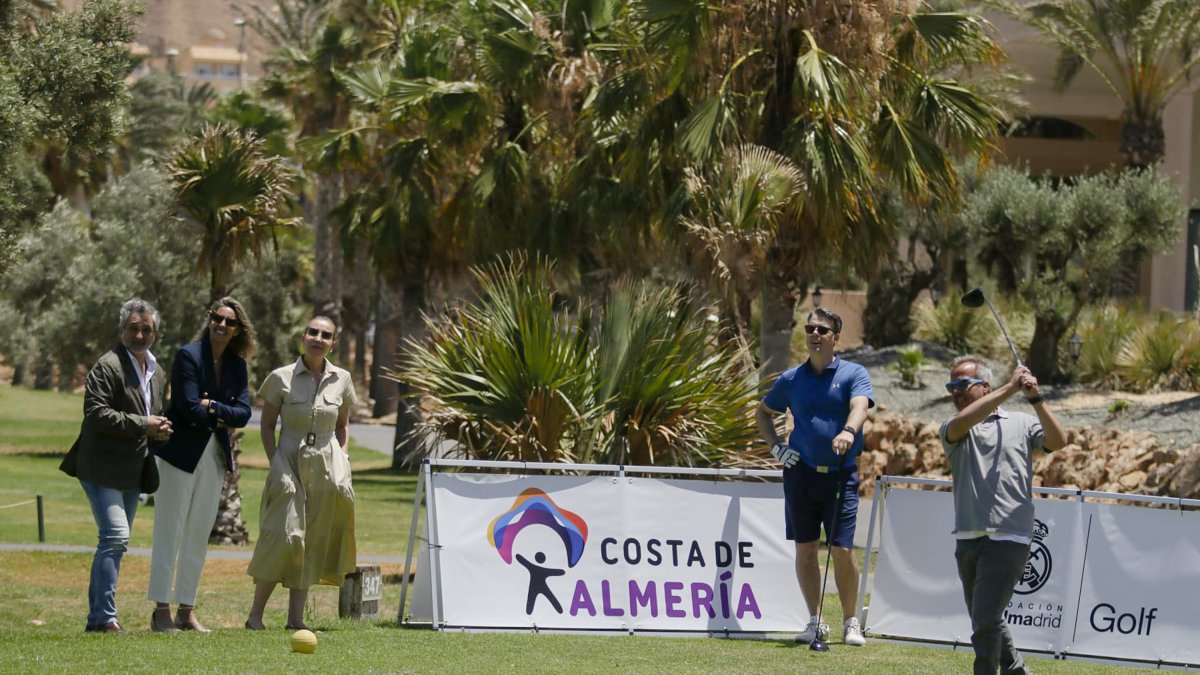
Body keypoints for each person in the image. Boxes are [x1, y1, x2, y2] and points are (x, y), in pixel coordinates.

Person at [756, 307, 874, 647]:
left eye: (822, 329)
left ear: (836, 337)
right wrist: (776, 446)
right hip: (801, 475)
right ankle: (815, 621)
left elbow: (860, 405)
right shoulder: (791, 379)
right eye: (810, 328)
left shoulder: (854, 372)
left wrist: (849, 431)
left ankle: (851, 622)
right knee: (805, 549)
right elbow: (763, 412)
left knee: (841, 549)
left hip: (840, 475)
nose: (815, 334)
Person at [940, 355, 1067, 674]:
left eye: (962, 384)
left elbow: (1058, 441)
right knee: (987, 619)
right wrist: (1011, 387)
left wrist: (1035, 398)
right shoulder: (954, 427)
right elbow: (961, 423)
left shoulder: (1021, 423)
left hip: (1009, 538)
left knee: (985, 622)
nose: (955, 391)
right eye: (951, 385)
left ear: (984, 387)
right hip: (968, 538)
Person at [148, 297, 254, 633]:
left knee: (197, 535)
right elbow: (187, 406)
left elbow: (245, 413)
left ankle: (186, 610)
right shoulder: (187, 356)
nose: (221, 325)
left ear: (238, 329)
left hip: (215, 456)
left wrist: (213, 408)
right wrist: (219, 411)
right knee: (169, 530)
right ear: (209, 320)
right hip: (180, 454)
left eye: (229, 322)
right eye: (216, 318)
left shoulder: (237, 365)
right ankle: (161, 610)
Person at [245, 316, 357, 630]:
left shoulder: (342, 379)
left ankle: (295, 619)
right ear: (302, 336)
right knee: (282, 535)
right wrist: (276, 463)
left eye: (326, 335)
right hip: (288, 460)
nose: (318, 338)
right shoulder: (280, 377)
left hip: (325, 466)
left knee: (311, 539)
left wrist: (343, 461)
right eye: (313, 332)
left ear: (333, 343)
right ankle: (255, 616)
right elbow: (267, 426)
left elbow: (342, 426)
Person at [74, 298, 172, 633]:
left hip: (132, 469)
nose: (140, 335)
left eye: (147, 329)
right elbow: (97, 413)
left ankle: (97, 619)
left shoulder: (156, 371)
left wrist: (160, 430)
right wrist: (144, 422)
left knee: (117, 541)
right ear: (122, 329)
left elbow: (152, 416)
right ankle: (104, 618)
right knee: (115, 536)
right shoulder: (108, 365)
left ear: (155, 332)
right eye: (134, 328)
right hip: (101, 467)